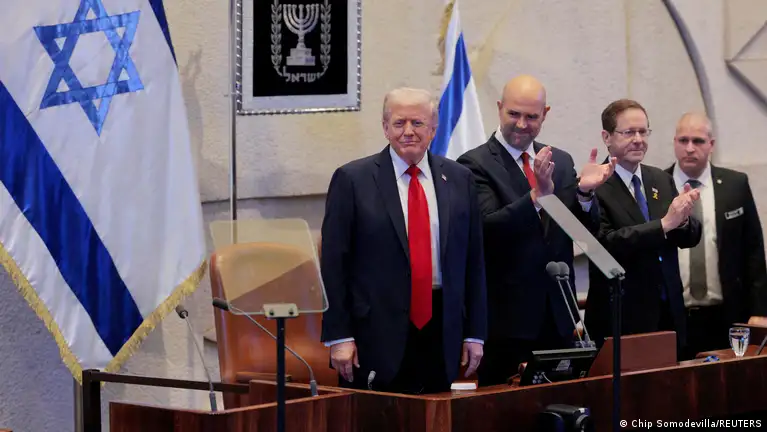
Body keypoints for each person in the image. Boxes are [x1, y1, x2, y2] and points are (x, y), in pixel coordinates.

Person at [319, 87, 487, 394]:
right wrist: (339, 336)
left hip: (441, 330)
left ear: (433, 128)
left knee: (436, 415)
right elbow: (333, 264)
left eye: (417, 123)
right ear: (385, 128)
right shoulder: (352, 180)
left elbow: (473, 261)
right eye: (399, 123)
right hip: (375, 335)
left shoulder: (459, 179)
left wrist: (475, 333)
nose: (408, 131)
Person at [456, 75, 616, 386]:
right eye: (514, 114)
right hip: (506, 321)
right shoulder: (474, 163)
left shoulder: (560, 161)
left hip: (559, 316)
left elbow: (584, 232)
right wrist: (536, 197)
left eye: (531, 116)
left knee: (561, 405)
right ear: (499, 108)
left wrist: (585, 193)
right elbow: (487, 229)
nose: (521, 124)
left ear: (545, 114)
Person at [585, 99, 702, 356]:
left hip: (669, 313)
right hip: (622, 317)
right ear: (607, 137)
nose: (638, 140)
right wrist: (664, 224)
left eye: (643, 131)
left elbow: (689, 238)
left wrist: (684, 218)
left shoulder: (659, 178)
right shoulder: (593, 184)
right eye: (629, 132)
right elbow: (606, 243)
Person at [665, 112, 767, 358]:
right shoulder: (657, 185)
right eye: (683, 140)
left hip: (727, 314)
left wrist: (760, 310)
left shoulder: (735, 185)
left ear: (711, 145)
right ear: (675, 142)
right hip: (673, 316)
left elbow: (753, 250)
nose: (690, 148)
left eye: (698, 141)